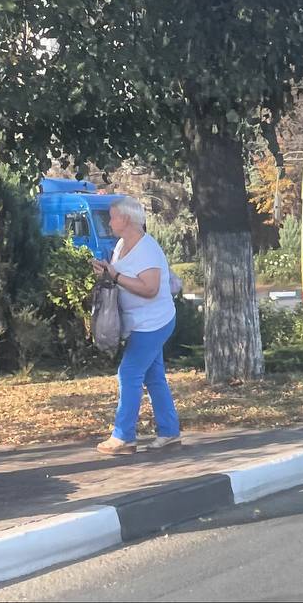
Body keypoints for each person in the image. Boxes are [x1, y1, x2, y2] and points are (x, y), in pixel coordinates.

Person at [91, 195, 182, 454]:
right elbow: (121, 277)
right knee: (154, 377)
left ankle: (123, 437)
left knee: (128, 373)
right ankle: (170, 432)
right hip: (141, 322)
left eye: (112, 216)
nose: (109, 221)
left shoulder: (147, 249)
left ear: (126, 219)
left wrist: (116, 275)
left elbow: (151, 289)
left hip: (153, 323)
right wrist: (107, 272)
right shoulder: (122, 244)